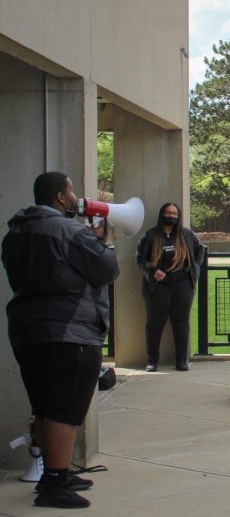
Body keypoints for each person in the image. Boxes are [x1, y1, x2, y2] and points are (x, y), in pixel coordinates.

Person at [2, 172, 120, 509]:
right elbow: (106, 268)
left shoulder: (16, 232)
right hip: (69, 330)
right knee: (65, 409)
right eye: (71, 191)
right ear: (60, 198)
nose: (75, 197)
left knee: (44, 405)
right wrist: (99, 238)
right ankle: (55, 482)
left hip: (28, 329)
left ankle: (55, 473)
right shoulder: (68, 230)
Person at [135, 203, 206, 372]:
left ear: (178, 216)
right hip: (158, 287)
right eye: (167, 213)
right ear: (161, 214)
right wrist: (152, 270)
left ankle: (181, 361)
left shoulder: (187, 234)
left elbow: (200, 249)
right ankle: (152, 361)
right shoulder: (151, 236)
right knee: (154, 323)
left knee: (181, 323)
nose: (171, 216)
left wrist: (194, 268)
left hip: (182, 285)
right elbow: (140, 259)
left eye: (174, 213)